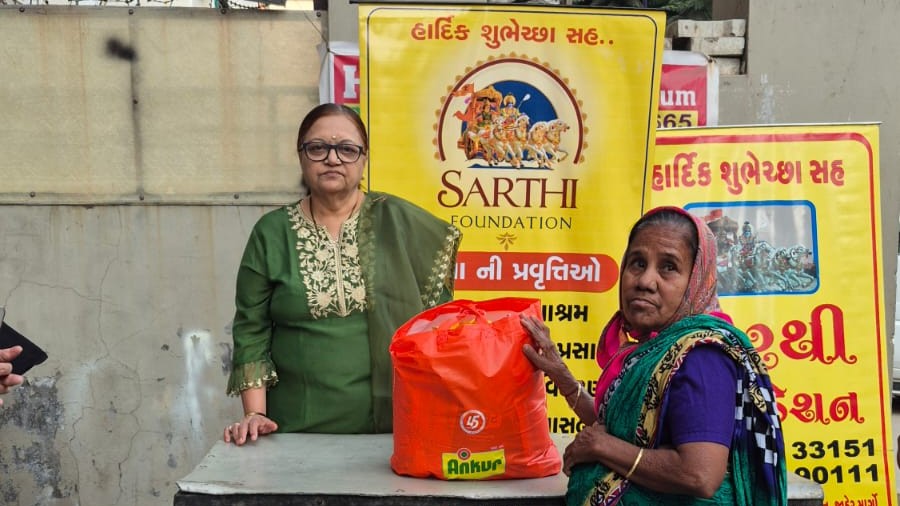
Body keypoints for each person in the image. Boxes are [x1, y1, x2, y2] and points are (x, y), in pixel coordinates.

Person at [223, 103, 461, 445]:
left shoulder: (400, 222)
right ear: (301, 156)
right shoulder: (271, 232)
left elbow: (438, 326)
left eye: (347, 149)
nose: (332, 159)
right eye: (318, 148)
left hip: (395, 428)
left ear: (364, 159)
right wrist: (255, 415)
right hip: (295, 429)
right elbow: (251, 329)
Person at [521, 206, 787, 505]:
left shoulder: (701, 357)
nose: (645, 281)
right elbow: (628, 429)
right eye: (637, 263)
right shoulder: (656, 349)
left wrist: (600, 446)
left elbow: (699, 475)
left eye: (668, 267)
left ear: (697, 280)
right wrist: (560, 374)